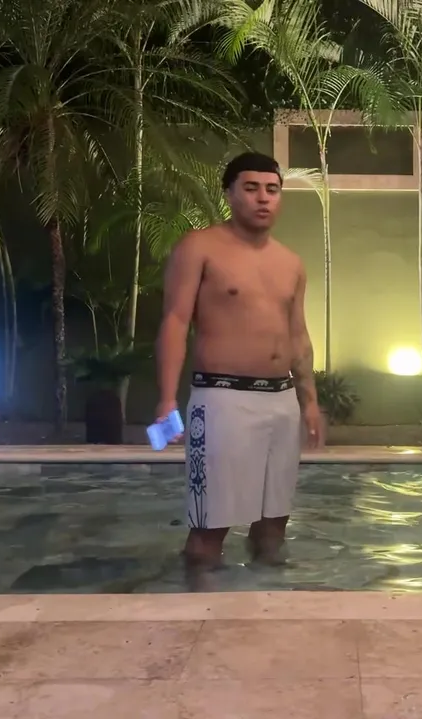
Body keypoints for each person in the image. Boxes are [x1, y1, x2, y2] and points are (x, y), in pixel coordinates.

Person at [153, 151, 323, 575]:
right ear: (229, 194)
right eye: (251, 188)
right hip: (222, 399)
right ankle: (199, 604)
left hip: (280, 400)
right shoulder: (199, 247)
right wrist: (166, 400)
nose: (263, 198)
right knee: (209, 529)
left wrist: (310, 401)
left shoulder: (291, 263)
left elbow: (298, 335)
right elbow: (175, 321)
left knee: (274, 525)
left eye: (272, 189)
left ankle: (267, 604)